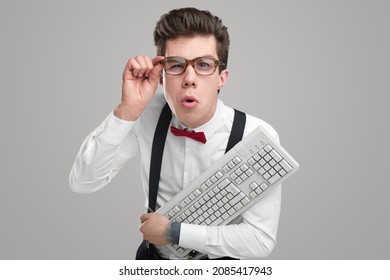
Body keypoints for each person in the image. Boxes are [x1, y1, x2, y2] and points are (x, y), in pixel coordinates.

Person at [69, 7, 281, 260]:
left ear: (221, 78)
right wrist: (127, 111)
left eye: (203, 65)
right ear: (161, 76)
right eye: (176, 65)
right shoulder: (146, 115)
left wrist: (174, 232)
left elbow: (259, 240)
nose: (189, 78)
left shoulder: (255, 135)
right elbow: (83, 181)